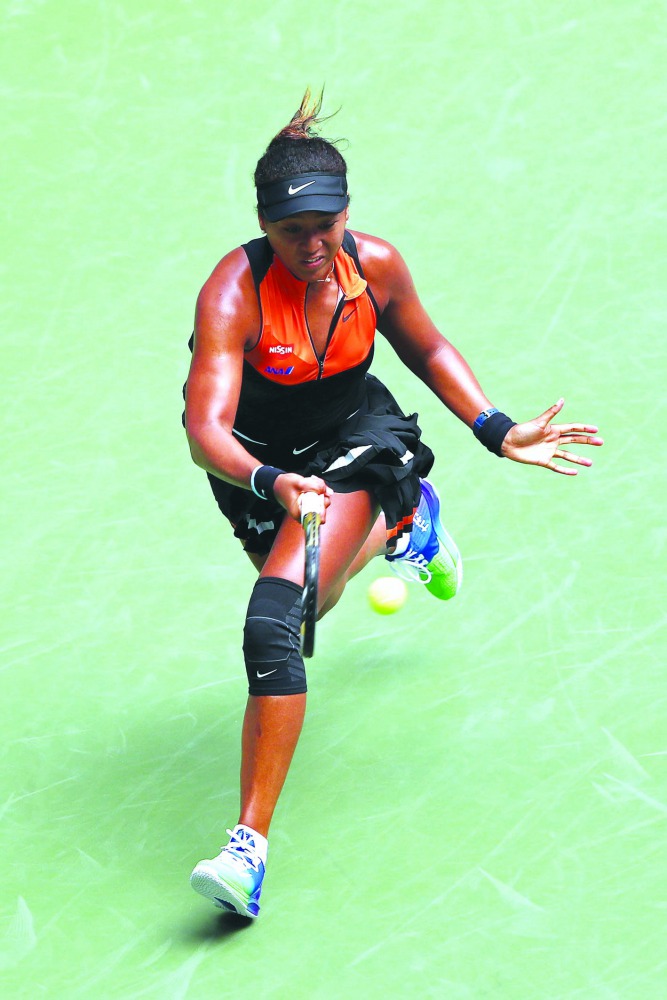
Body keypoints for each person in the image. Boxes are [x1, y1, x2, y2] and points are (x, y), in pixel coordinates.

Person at [184, 91, 603, 918]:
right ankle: (407, 523)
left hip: (352, 435)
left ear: (346, 214)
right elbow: (205, 428)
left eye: (324, 226)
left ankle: (246, 852)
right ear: (263, 228)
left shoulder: (373, 265)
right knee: (317, 601)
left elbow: (425, 343)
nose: (310, 245)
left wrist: (495, 428)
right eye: (289, 231)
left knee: (271, 622)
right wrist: (269, 482)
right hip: (261, 464)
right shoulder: (232, 293)